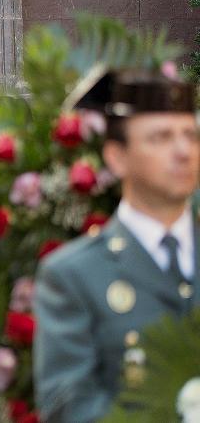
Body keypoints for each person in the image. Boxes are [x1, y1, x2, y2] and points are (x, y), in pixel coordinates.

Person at [34, 70, 198, 422]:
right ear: (117, 157)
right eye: (161, 137)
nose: (183, 151)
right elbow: (70, 408)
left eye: (191, 135)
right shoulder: (73, 276)